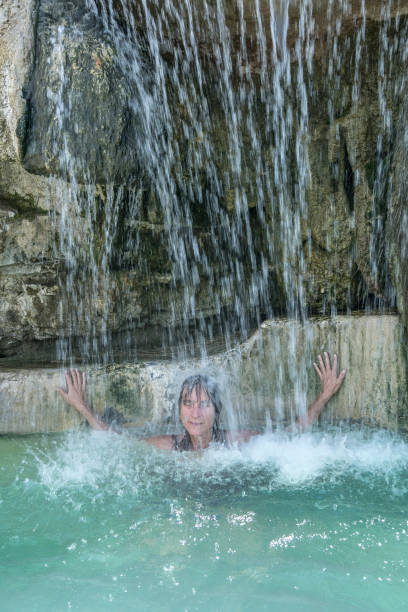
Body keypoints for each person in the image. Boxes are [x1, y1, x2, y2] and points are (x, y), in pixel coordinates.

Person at [57, 352, 345, 451]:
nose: (195, 412)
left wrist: (323, 396)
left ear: (216, 410)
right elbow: (116, 442)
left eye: (204, 404)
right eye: (188, 403)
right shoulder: (168, 445)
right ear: (179, 408)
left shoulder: (235, 442)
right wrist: (81, 406)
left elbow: (288, 436)